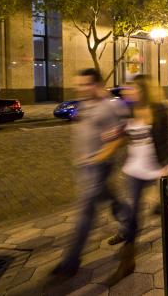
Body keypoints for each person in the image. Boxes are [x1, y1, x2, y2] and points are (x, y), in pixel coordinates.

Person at [50, 68, 129, 280]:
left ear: (97, 84)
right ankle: (129, 224)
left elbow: (118, 139)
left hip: (98, 167)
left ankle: (70, 262)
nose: (81, 88)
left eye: (86, 84)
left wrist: (98, 159)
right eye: (79, 84)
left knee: (85, 214)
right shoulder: (85, 104)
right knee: (111, 198)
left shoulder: (109, 107)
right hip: (85, 167)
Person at [107, 75, 168, 284]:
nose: (127, 91)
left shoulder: (159, 111)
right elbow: (127, 135)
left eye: (132, 88)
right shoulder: (129, 110)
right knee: (133, 214)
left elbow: (164, 141)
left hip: (156, 167)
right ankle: (128, 260)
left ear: (143, 90)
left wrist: (167, 166)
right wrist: (114, 137)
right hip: (134, 170)